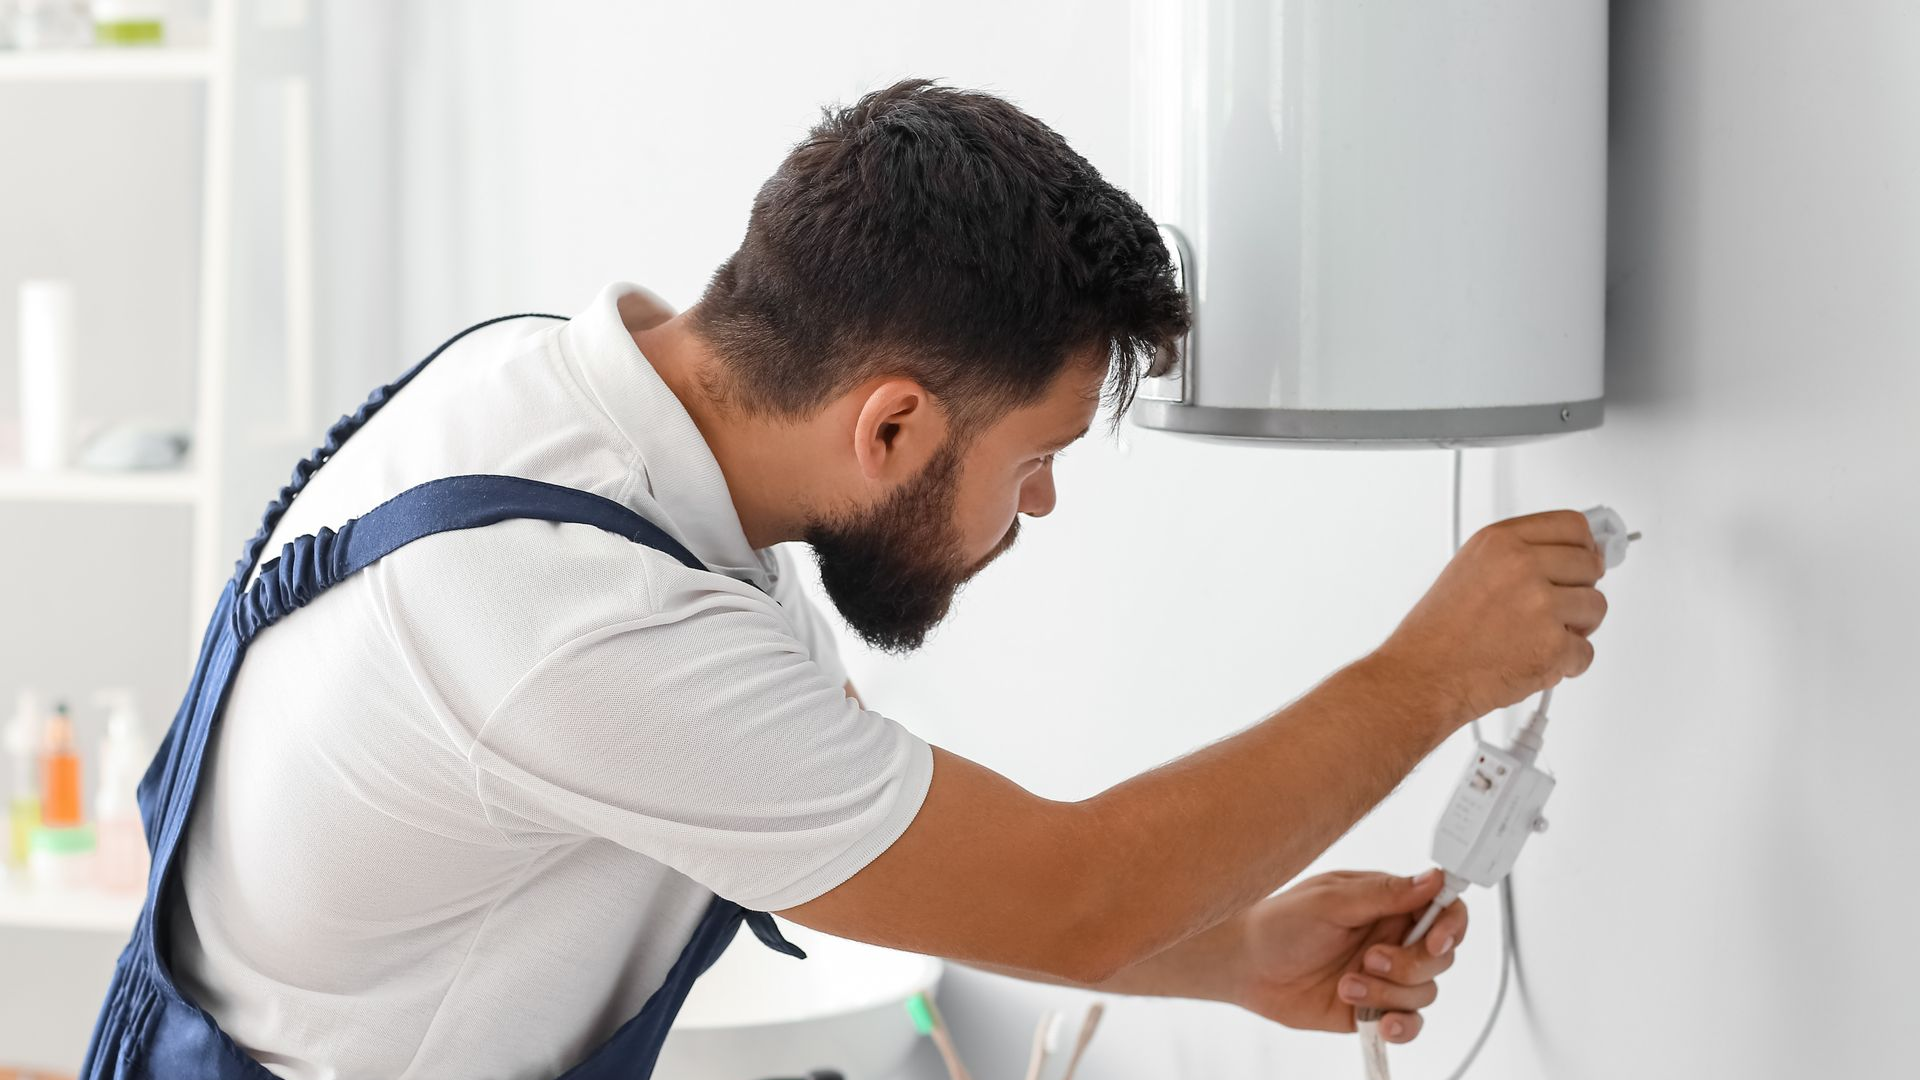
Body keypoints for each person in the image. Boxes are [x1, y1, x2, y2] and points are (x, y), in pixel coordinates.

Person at [83, 79, 1609, 1080]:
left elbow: (865, 836)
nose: (1044, 501)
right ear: (891, 425)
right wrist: (1432, 675)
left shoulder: (557, 402)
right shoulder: (576, 623)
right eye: (1035, 456)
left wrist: (1233, 959)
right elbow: (1077, 895)